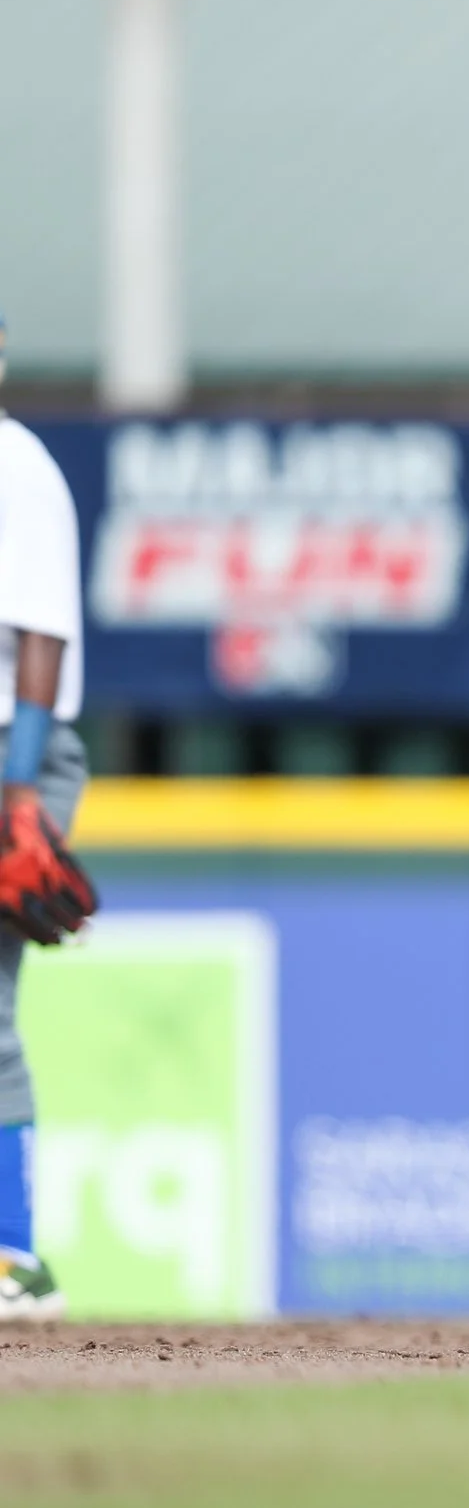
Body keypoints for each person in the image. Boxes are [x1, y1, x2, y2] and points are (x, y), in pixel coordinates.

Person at [0, 313, 102, 1320]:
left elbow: (41, 636)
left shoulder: (13, 463)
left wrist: (18, 793)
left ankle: (12, 1257)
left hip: (10, 748)